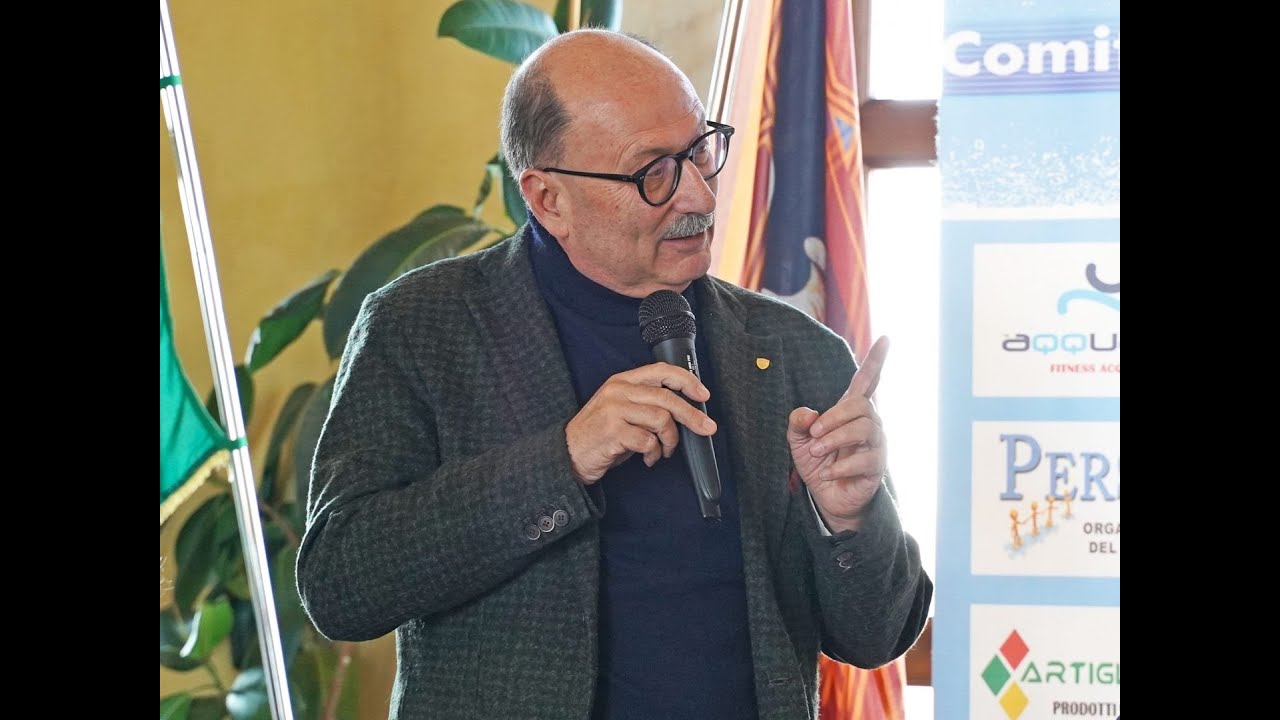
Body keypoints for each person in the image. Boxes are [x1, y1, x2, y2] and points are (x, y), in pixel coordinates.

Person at [296, 28, 932, 720]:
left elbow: (877, 636)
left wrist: (849, 518)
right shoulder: (424, 328)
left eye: (699, 151)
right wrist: (564, 459)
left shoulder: (796, 349)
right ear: (548, 198)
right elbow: (341, 585)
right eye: (653, 171)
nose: (698, 195)